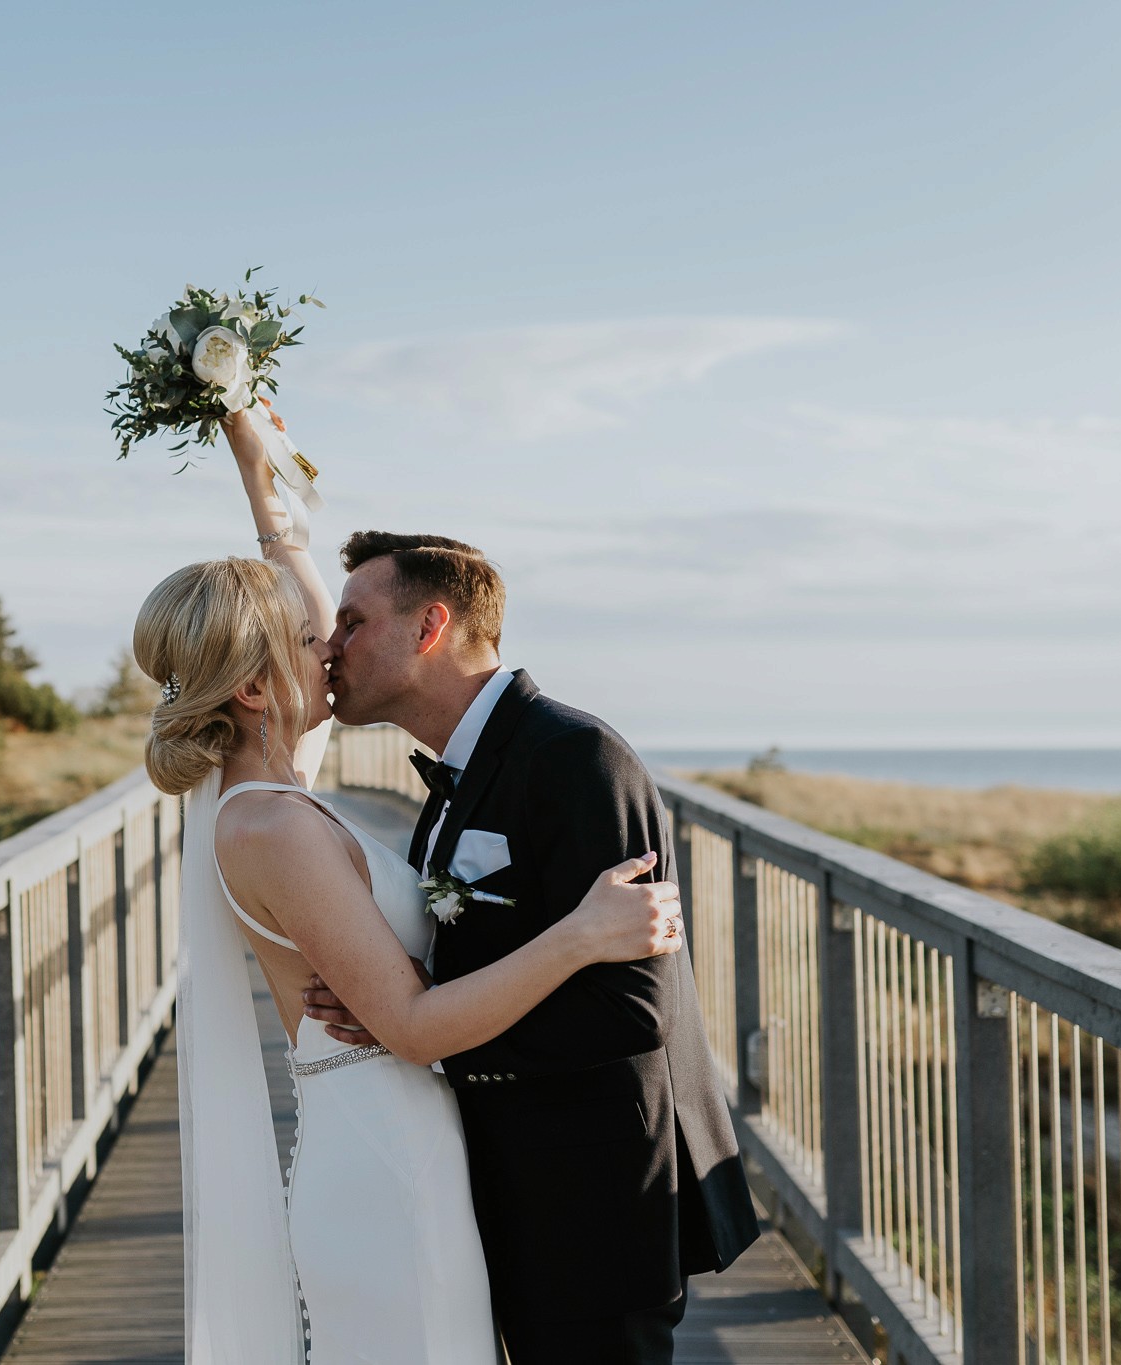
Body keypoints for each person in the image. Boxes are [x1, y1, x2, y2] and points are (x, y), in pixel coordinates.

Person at [134, 404, 685, 1363]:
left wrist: (257, 467)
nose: (332, 648)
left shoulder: (271, 785)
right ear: (259, 689)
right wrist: (581, 935)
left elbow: (305, 610)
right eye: (315, 642)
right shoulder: (268, 821)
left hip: (413, 1145)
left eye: (341, 630)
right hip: (384, 1156)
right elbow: (416, 1027)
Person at [300, 529, 762, 1361]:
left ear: (428, 626)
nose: (331, 648)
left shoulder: (577, 757)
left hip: (594, 1194)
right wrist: (403, 993)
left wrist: (425, 1034)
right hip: (511, 1180)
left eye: (350, 622)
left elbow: (632, 1009)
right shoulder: (458, 775)